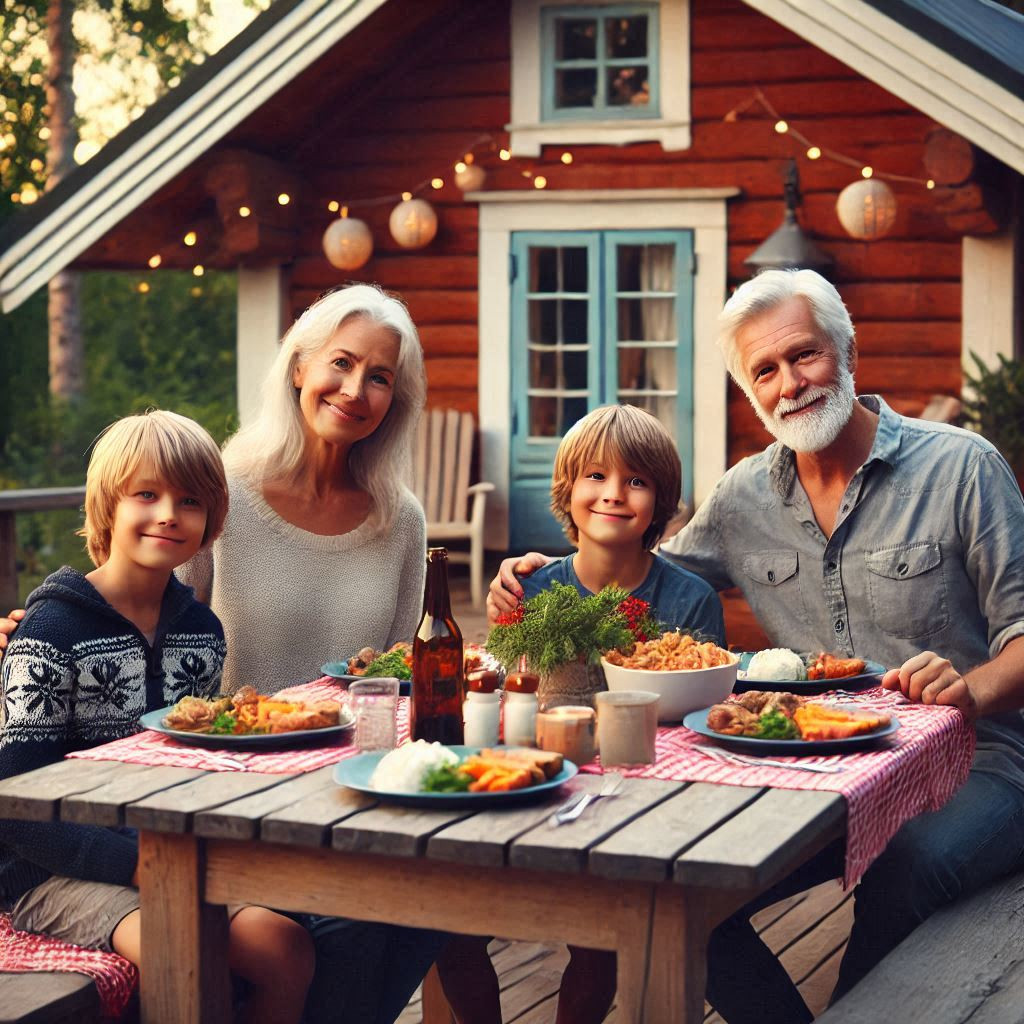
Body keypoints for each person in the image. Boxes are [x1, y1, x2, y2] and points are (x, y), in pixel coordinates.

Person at [488, 268, 1024, 1023]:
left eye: (803, 355)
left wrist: (969, 688)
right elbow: (643, 562)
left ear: (847, 351)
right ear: (749, 390)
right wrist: (540, 570)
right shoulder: (742, 497)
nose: (789, 384)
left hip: (979, 760)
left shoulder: (963, 467)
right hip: (815, 761)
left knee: (908, 869)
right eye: (764, 371)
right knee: (686, 883)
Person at [0, 285, 444, 1024]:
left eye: (380, 375)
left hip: (284, 812)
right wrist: (37, 624)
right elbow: (25, 785)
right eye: (341, 362)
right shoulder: (222, 496)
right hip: (130, 849)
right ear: (299, 365)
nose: (357, 388)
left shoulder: (200, 636)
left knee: (420, 909)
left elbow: (395, 672)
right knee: (287, 941)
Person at [0, 410, 315, 1024]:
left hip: (172, 853)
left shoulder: (201, 631)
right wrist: (135, 864)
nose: (169, 512)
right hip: (50, 872)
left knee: (288, 947)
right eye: (147, 494)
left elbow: (190, 763)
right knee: (184, 952)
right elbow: (14, 800)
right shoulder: (50, 631)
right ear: (108, 507)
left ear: (211, 521)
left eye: (190, 500)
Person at [438, 403, 724, 1024]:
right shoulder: (529, 588)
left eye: (637, 481)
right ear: (567, 492)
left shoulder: (690, 601)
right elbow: (502, 691)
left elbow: (703, 723)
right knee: (448, 922)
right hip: (531, 783)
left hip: (639, 798)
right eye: (596, 477)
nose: (614, 495)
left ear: (661, 500)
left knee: (600, 936)